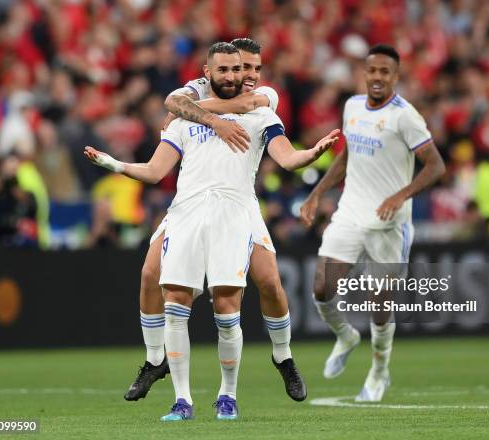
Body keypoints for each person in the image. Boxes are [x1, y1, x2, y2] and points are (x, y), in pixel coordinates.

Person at [85, 42, 338, 420]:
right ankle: (178, 395)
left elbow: (287, 156)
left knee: (238, 299)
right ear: (208, 72)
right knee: (168, 293)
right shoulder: (185, 115)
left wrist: (310, 154)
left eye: (243, 69)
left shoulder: (263, 106)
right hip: (187, 212)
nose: (238, 76)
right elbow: (156, 170)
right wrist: (114, 163)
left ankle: (252, 378)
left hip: (234, 211)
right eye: (228, 70)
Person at [300, 44, 445, 402]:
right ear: (364, 73)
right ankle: (347, 336)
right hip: (350, 211)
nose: (377, 77)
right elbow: (346, 157)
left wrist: (400, 195)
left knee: (379, 307)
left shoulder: (405, 117)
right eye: (372, 71)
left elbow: (436, 165)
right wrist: (317, 193)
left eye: (385, 72)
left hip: (388, 223)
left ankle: (379, 372)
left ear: (396, 77)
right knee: (321, 286)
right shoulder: (351, 106)